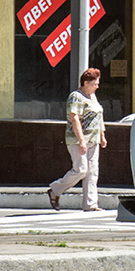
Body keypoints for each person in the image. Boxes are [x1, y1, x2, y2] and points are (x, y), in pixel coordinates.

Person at [47, 68, 108, 211]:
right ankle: (55, 190)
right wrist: (81, 140)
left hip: (94, 140)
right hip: (77, 140)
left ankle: (90, 204)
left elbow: (99, 116)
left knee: (93, 172)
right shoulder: (76, 96)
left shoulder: (93, 96)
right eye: (95, 84)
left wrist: (102, 135)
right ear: (86, 83)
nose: (97, 87)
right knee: (81, 169)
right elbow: (74, 118)